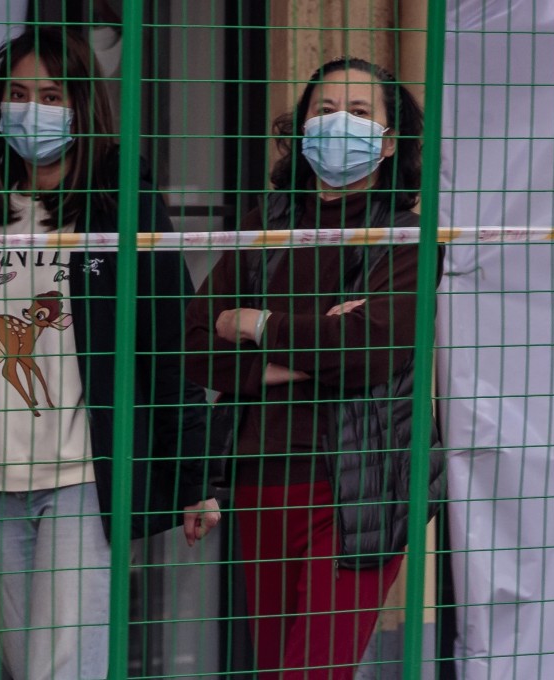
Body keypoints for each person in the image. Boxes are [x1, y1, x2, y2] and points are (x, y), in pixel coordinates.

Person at [0, 27, 220, 680]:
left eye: (53, 96)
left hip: (84, 481)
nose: (33, 110)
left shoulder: (123, 211)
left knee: (66, 671)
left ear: (84, 106)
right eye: (19, 94)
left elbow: (173, 345)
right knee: (33, 669)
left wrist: (196, 477)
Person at [184, 57, 445, 680]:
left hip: (358, 486)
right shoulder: (265, 225)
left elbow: (372, 348)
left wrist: (258, 326)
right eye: (325, 111)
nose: (337, 125)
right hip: (259, 480)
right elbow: (193, 344)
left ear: (388, 144)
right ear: (300, 128)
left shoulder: (406, 235)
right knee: (276, 668)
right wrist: (302, 354)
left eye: (358, 114)